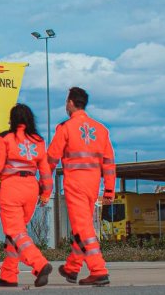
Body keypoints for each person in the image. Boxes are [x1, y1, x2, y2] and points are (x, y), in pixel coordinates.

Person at [0, 103, 54, 288]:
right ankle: (9, 275)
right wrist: (46, 193)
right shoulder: (38, 140)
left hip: (11, 187)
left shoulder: (5, 138)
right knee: (15, 235)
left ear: (12, 119)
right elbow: (45, 171)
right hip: (31, 188)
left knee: (16, 232)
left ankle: (40, 264)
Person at [47, 86, 116, 287]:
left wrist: (43, 184)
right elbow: (109, 163)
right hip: (93, 185)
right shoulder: (102, 130)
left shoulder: (65, 128)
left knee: (83, 228)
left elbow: (50, 159)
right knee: (83, 225)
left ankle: (98, 270)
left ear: (70, 103)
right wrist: (109, 190)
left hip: (75, 184)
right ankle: (72, 267)